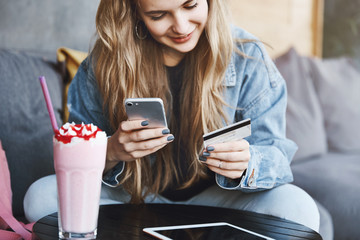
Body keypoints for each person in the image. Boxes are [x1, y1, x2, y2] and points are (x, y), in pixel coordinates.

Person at [24, 0, 320, 232]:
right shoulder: (103, 64)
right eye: (158, 15)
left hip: (217, 203)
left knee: (299, 208)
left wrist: (249, 162)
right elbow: (73, 155)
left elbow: (278, 157)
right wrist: (112, 149)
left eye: (190, 5)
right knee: (40, 197)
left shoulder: (248, 59)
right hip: (133, 200)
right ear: (135, 12)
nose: (181, 26)